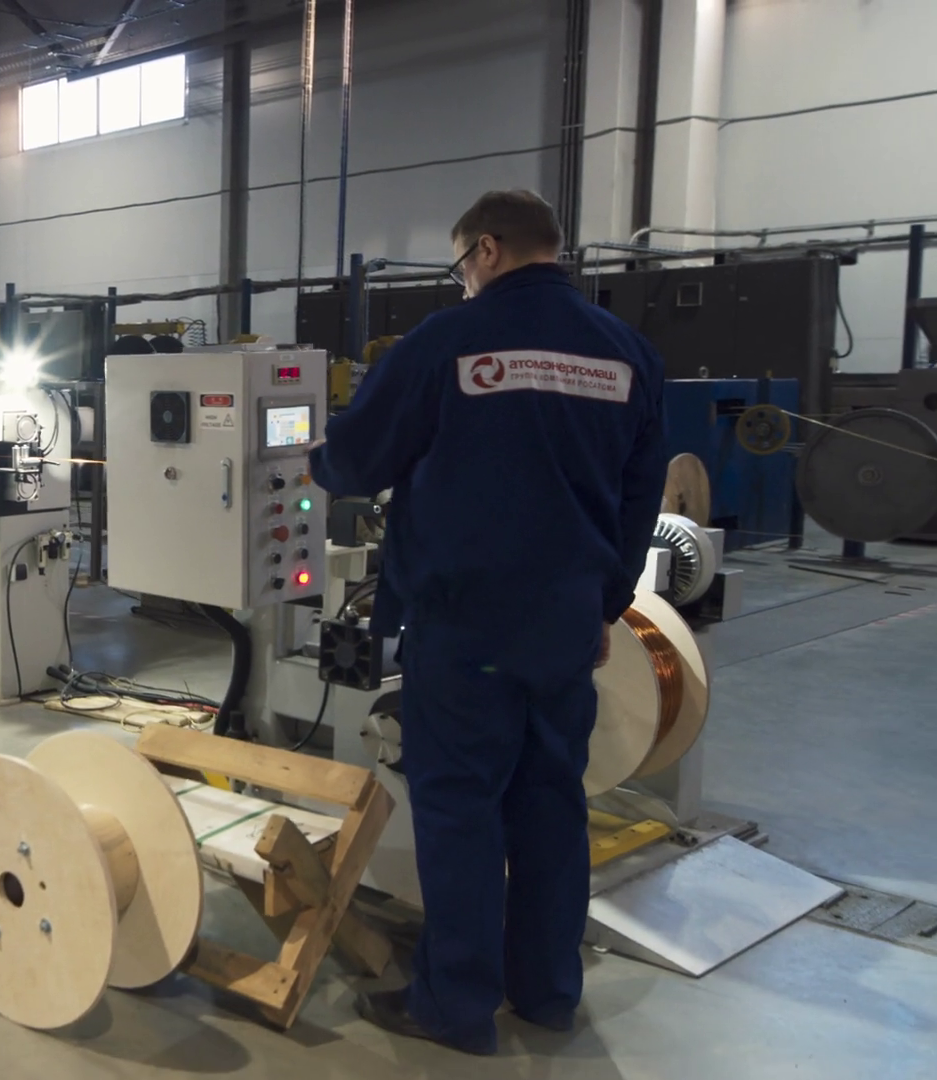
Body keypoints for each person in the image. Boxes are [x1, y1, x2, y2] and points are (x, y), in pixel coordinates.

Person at [306, 190, 666, 1055]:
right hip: (564, 627)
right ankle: (546, 992)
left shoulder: (447, 342)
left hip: (465, 627)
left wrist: (312, 453)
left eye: (462, 262)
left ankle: (456, 1007)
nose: (463, 278)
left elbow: (357, 460)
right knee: (552, 805)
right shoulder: (628, 354)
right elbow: (639, 498)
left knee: (461, 809)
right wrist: (604, 603)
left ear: (489, 250)